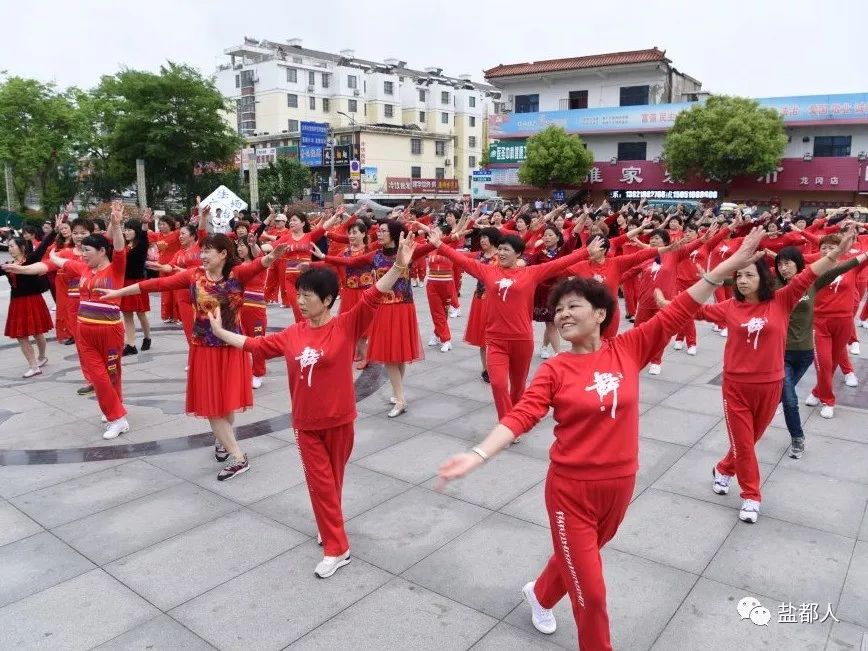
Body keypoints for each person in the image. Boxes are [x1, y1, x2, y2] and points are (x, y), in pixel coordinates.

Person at [435, 229, 770, 651]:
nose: (563, 314)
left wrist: (730, 261)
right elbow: (522, 415)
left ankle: (538, 594)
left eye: (573, 305)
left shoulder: (629, 348)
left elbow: (685, 305)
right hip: (570, 491)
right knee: (591, 595)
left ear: (600, 313)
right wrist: (479, 454)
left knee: (581, 557)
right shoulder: (555, 370)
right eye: (558, 309)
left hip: (620, 485)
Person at [206, 232, 416, 578]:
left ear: (328, 299)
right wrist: (221, 331)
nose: (300, 302)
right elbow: (254, 345)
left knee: (333, 481)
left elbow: (374, 296)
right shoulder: (292, 334)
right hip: (306, 424)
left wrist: (397, 266)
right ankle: (338, 548)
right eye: (298, 294)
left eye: (307, 296)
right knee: (319, 483)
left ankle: (328, 525)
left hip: (340, 420)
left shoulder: (347, 325)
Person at [674, 228, 857, 523]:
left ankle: (723, 468)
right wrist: (667, 304)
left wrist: (835, 254)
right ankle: (751, 496)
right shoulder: (730, 306)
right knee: (745, 444)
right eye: (740, 276)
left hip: (770, 385)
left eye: (749, 275)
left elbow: (809, 275)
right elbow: (697, 312)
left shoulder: (782, 300)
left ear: (763, 277)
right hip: (736, 387)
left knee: (749, 442)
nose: (743, 281)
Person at [99, 235, 288, 479]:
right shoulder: (194, 275)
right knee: (213, 407)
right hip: (204, 350)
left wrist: (272, 257)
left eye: (209, 250)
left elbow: (259, 264)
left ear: (223, 254)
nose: (203, 254)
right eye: (203, 250)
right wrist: (118, 293)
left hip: (231, 348)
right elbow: (156, 285)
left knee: (226, 403)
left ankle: (231, 449)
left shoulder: (236, 275)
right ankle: (233, 451)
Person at [427, 228, 594, 420]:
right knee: (498, 384)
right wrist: (439, 244)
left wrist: (586, 251)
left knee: (518, 387)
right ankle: (507, 423)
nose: (501, 253)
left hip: (521, 339)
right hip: (496, 339)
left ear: (518, 253)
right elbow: (463, 260)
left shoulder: (531, 273)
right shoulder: (488, 270)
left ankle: (516, 419)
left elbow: (559, 263)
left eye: (506, 249)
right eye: (500, 249)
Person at [4, 201, 130, 438]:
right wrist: (20, 269)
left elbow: (120, 249)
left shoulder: (115, 269)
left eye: (87, 251)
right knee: (99, 377)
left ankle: (116, 411)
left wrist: (116, 223)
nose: (83, 255)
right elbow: (49, 264)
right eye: (81, 251)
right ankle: (117, 416)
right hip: (85, 332)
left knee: (112, 374)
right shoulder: (82, 268)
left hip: (110, 331)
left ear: (102, 251)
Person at [774, 246, 867, 458]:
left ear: (799, 263)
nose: (784, 268)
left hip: (804, 353)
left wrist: (865, 253)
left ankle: (777, 406)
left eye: (788, 263)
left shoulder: (812, 281)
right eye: (780, 264)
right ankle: (797, 437)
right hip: (780, 353)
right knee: (789, 398)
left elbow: (844, 266)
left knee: (782, 393)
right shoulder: (774, 285)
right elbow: (745, 285)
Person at [803, 232, 867, 418]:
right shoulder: (813, 268)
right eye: (824, 247)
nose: (827, 251)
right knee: (823, 362)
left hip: (844, 320)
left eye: (832, 247)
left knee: (832, 361)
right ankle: (828, 400)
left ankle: (817, 391)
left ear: (841, 249)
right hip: (818, 322)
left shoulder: (851, 265)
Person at [0, 237, 53, 377]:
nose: (9, 249)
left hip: (33, 301)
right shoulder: (7, 265)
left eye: (12, 246)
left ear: (21, 247)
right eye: (8, 246)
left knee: (37, 333)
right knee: (21, 335)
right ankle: (33, 366)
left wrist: (55, 230)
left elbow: (43, 246)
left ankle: (42, 357)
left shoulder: (31, 260)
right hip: (17, 304)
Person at [463, 227, 501, 383]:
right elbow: (463, 258)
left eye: (485, 237)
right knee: (482, 338)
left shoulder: (502, 255)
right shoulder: (479, 256)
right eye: (481, 238)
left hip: (497, 301)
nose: (482, 240)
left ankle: (497, 367)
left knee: (496, 338)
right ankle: (486, 369)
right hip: (480, 299)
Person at [235, 233, 269, 389]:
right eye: (238, 246)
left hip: (256, 309)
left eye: (242, 245)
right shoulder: (236, 266)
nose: (239, 248)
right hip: (239, 309)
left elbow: (259, 254)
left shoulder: (259, 263)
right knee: (240, 341)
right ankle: (243, 370)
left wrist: (253, 244)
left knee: (257, 341)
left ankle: (258, 373)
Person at [120, 217, 152, 356]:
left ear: (136, 231)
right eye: (125, 229)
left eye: (129, 230)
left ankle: (147, 337)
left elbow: (144, 235)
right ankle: (131, 344)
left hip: (137, 283)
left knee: (141, 313)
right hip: (124, 283)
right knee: (126, 314)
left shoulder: (141, 244)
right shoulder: (123, 245)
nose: (126, 232)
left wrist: (145, 223)